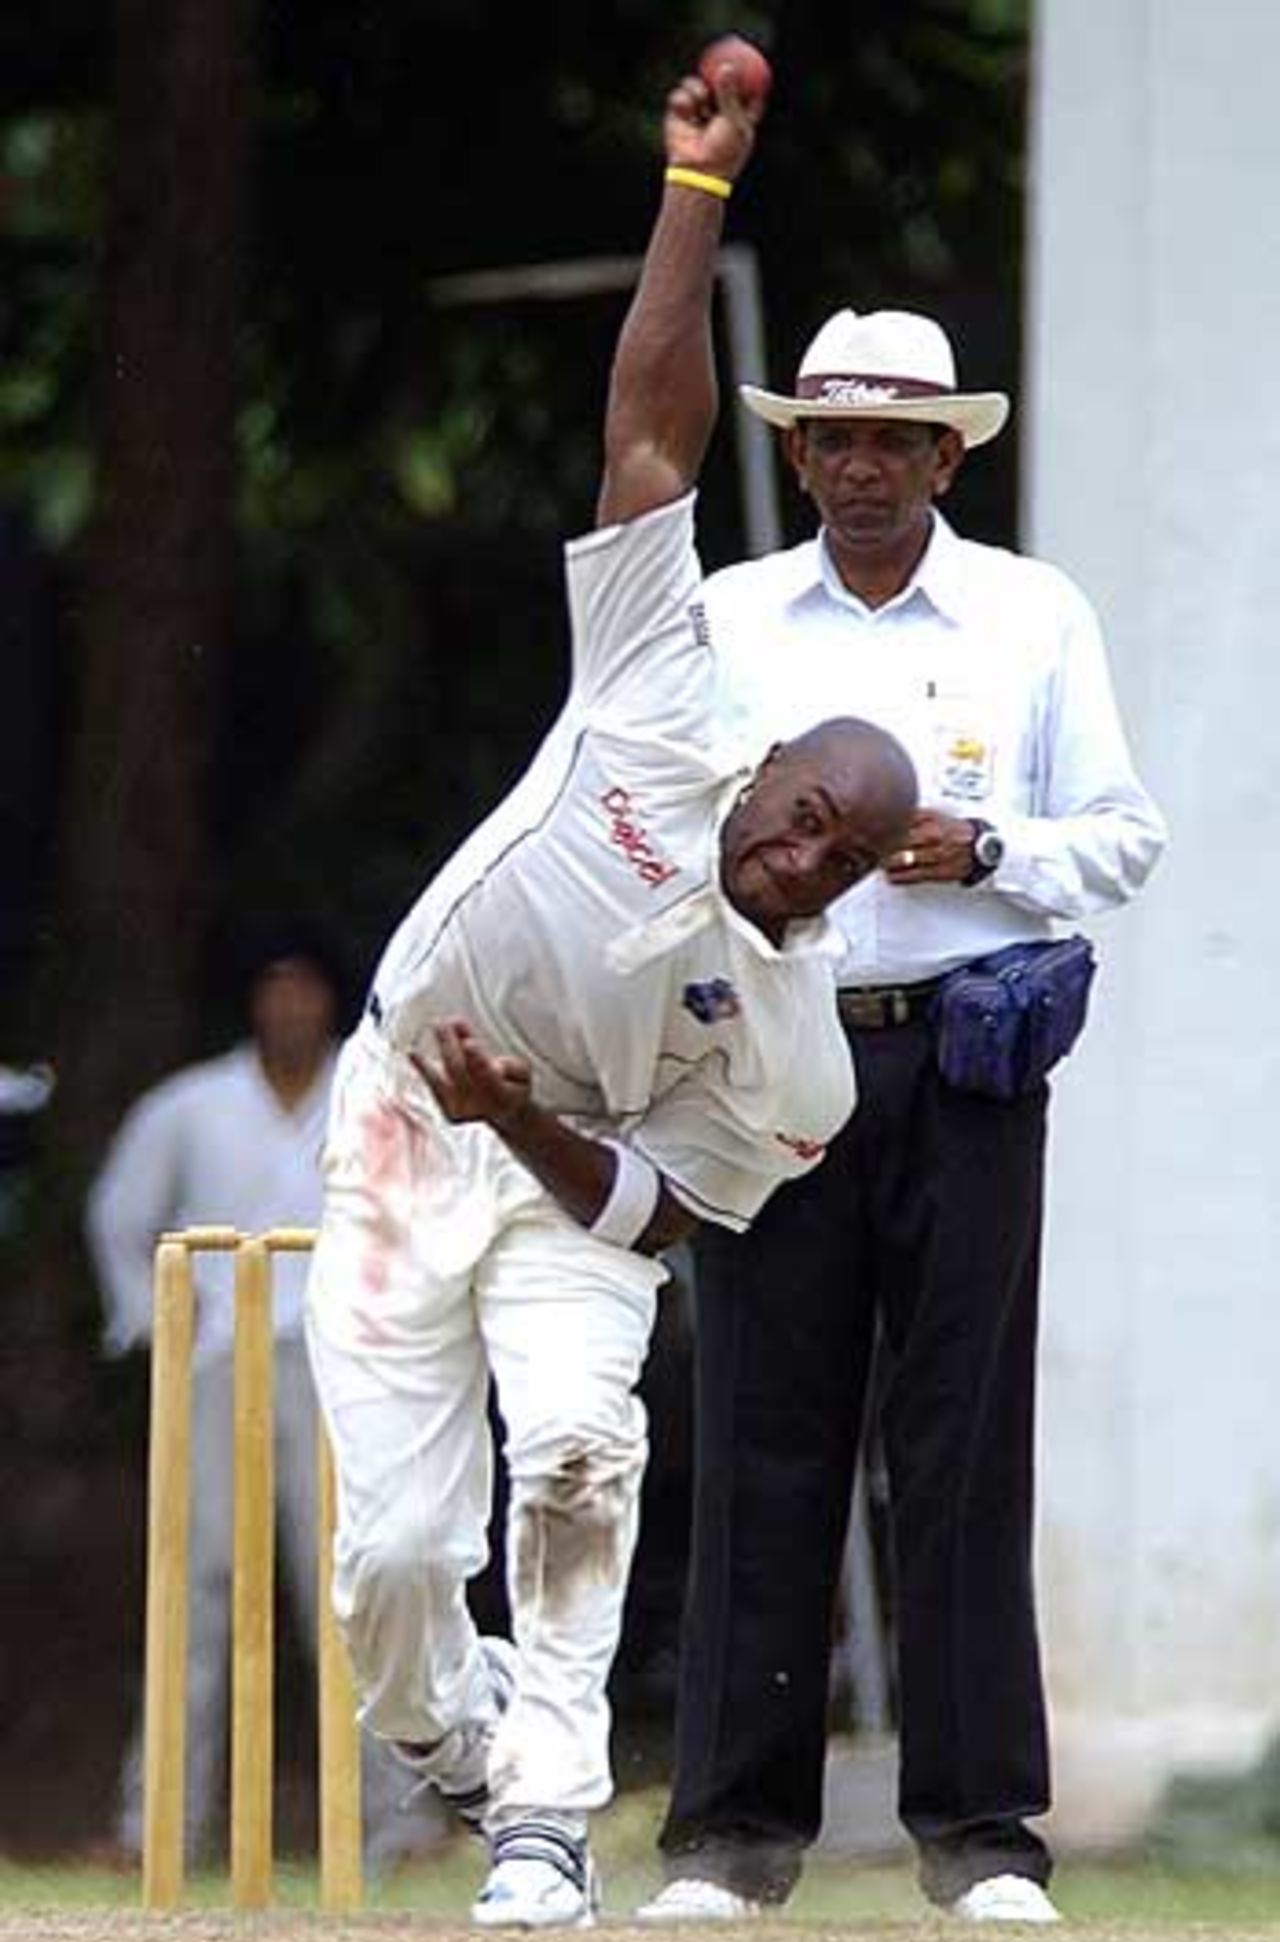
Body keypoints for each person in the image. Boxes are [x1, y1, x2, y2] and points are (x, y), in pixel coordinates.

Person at [303, 55, 920, 1935]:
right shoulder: (665, 695)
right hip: (412, 1109)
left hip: (577, 1181)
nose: (799, 856)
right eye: (804, 812)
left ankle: (547, 1825)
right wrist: (691, 188)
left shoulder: (801, 1057)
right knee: (395, 1552)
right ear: (769, 769)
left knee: (577, 1454)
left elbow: (665, 1217)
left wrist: (532, 1122)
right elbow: (647, 441)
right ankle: (454, 1739)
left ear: (860, 883)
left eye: (838, 862)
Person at [637, 308, 1167, 1927]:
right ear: (796, 454)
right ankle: (730, 1838)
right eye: (833, 438)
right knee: (759, 1433)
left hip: (965, 1061)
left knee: (960, 1436)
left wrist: (984, 848)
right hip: (774, 1052)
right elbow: (656, 825)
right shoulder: (729, 616)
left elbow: (1124, 839)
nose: (861, 465)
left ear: (952, 453)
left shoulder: (1029, 613)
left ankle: (983, 1836)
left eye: (895, 439)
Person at [87, 925, 444, 1874]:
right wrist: (156, 1326)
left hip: (346, 1371)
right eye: (273, 990)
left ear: (330, 1001)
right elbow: (120, 1219)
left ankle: (399, 1823)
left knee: (353, 1588)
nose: (290, 1008)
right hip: (217, 1367)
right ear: (252, 1002)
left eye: (306, 989)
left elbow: (429, 1217)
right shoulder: (193, 1103)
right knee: (194, 1592)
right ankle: (155, 1824)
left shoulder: (376, 1093)